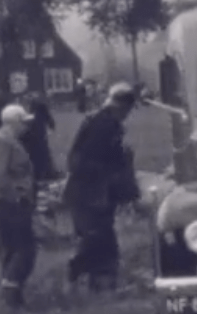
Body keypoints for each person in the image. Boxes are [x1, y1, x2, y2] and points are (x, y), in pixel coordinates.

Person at [63, 81, 144, 293]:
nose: (127, 115)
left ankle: (100, 285)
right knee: (95, 238)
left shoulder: (101, 121)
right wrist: (119, 164)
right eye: (127, 110)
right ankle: (77, 275)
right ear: (121, 107)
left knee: (103, 239)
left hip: (93, 192)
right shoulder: (104, 125)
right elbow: (83, 162)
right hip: (88, 193)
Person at [0, 103, 37, 308]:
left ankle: (13, 300)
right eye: (24, 122)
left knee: (15, 249)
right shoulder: (1, 142)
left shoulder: (10, 141)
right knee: (25, 249)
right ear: (14, 122)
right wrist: (17, 197)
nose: (26, 127)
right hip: (8, 203)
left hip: (10, 202)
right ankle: (11, 292)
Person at [20, 91, 57, 183]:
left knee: (40, 152)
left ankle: (44, 172)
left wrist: (51, 125)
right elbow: (48, 117)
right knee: (38, 152)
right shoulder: (28, 107)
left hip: (37, 131)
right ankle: (43, 172)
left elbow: (48, 117)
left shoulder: (39, 106)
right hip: (33, 132)